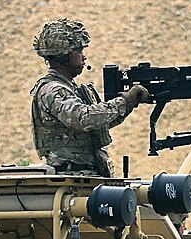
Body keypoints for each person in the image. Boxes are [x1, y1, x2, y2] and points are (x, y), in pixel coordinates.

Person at [30, 18, 148, 177]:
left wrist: (128, 104)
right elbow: (84, 118)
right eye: (79, 51)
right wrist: (124, 100)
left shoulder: (70, 89)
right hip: (71, 176)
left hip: (85, 175)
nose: (84, 57)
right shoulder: (53, 90)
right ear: (65, 55)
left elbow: (99, 124)